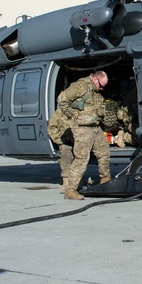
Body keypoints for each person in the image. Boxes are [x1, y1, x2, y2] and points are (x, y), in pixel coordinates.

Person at [56, 70, 111, 200]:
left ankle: (105, 179)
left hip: (94, 127)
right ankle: (71, 190)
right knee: (81, 158)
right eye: (101, 85)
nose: (102, 89)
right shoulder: (81, 86)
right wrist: (72, 115)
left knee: (104, 152)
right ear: (95, 79)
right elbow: (62, 99)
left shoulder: (95, 90)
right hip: (82, 128)